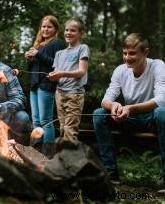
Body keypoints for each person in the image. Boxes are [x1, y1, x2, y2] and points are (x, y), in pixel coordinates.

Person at [93, 33, 165, 188]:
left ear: (146, 52)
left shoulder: (157, 66)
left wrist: (130, 108)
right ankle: (110, 173)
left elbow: (161, 100)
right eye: (125, 53)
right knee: (99, 114)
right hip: (128, 119)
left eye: (132, 53)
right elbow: (106, 99)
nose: (127, 57)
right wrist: (114, 106)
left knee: (162, 112)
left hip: (151, 117)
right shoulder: (120, 70)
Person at [24, 15, 65, 157]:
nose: (45, 29)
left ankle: (48, 153)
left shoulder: (57, 44)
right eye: (43, 26)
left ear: (55, 29)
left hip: (46, 85)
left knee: (46, 121)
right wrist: (29, 59)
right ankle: (36, 150)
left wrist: (38, 55)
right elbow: (33, 69)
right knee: (35, 120)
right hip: (34, 86)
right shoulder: (38, 45)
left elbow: (57, 65)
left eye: (49, 26)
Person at [47, 17, 90, 142]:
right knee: (62, 128)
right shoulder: (59, 54)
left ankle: (69, 160)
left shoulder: (82, 48)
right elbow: (56, 74)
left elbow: (81, 72)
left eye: (73, 30)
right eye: (66, 30)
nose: (68, 33)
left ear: (80, 33)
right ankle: (62, 158)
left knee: (70, 129)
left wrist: (61, 74)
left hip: (74, 94)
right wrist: (52, 76)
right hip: (59, 93)